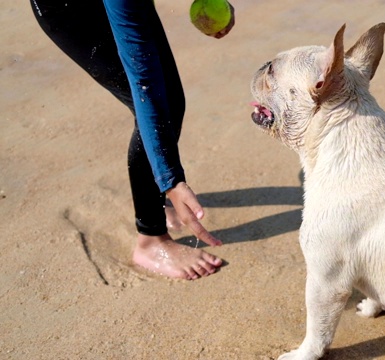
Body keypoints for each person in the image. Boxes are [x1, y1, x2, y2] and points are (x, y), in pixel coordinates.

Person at [30, 0, 235, 280]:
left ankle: (158, 199)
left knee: (171, 103)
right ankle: (151, 240)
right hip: (68, 8)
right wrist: (171, 178)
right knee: (154, 106)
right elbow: (145, 85)